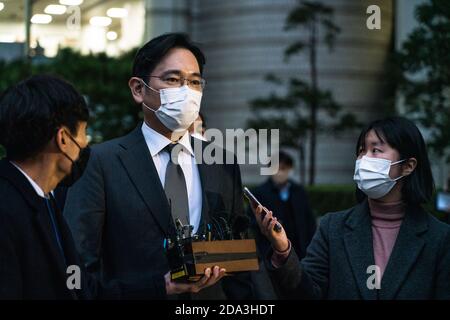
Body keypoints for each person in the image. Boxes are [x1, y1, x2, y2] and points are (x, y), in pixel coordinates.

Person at [63, 33, 253, 299]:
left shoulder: (221, 162)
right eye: (173, 79)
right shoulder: (100, 162)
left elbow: (239, 258)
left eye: (195, 82)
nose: (186, 91)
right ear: (138, 89)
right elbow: (78, 265)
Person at [0, 75, 222, 299]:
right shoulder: (9, 208)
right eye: (83, 132)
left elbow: (82, 289)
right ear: (63, 139)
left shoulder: (44, 202)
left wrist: (163, 287)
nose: (86, 143)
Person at [251, 116, 450, 299]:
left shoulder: (439, 239)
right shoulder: (333, 228)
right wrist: (284, 250)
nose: (364, 159)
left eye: (376, 150)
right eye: (362, 150)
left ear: (408, 165)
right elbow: (308, 293)